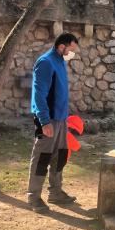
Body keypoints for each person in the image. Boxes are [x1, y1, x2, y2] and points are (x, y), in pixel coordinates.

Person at [27, 32, 79, 213]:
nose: (71, 54)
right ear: (61, 46)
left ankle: (55, 192)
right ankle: (33, 197)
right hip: (48, 121)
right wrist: (44, 121)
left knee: (60, 156)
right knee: (42, 158)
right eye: (70, 50)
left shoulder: (60, 62)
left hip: (61, 120)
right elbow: (39, 94)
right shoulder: (46, 62)